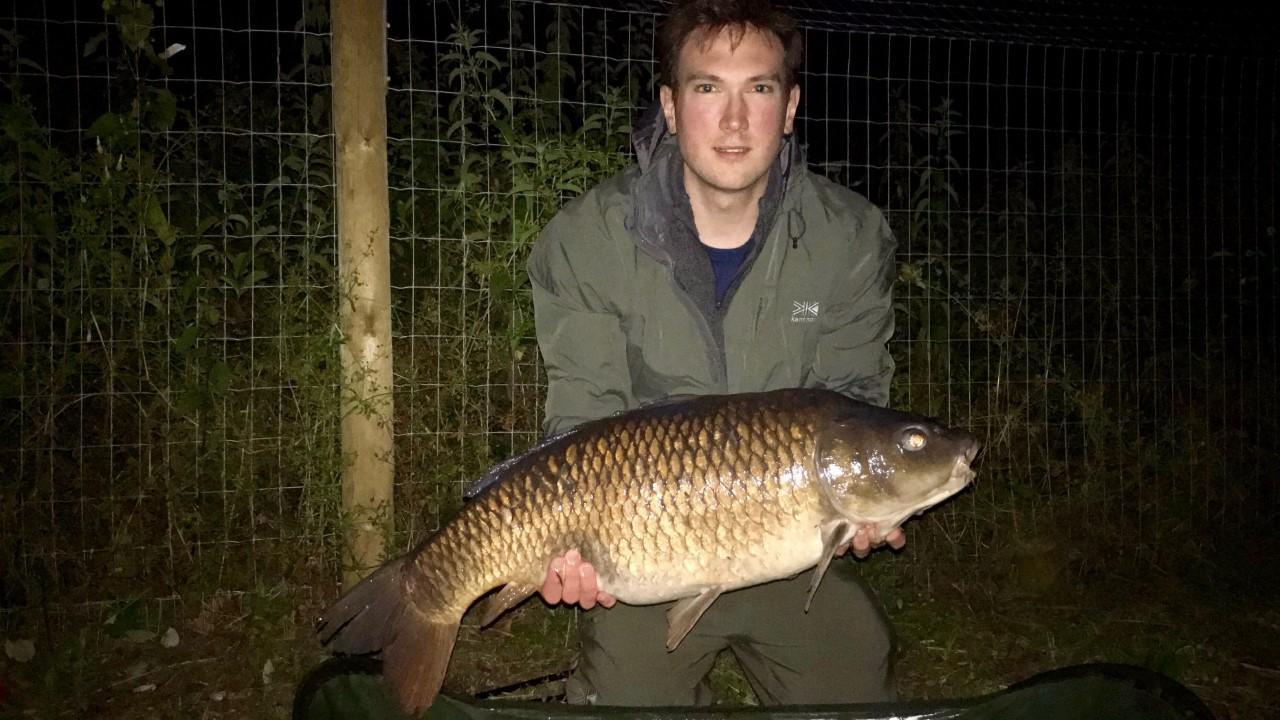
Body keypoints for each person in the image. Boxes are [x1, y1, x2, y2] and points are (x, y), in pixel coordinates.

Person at [526, 0, 903, 706]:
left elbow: (855, 400)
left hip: (785, 552)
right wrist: (567, 547)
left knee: (855, 682)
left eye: (758, 89)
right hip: (646, 548)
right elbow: (580, 426)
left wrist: (869, 505)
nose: (734, 121)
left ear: (789, 106)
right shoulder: (587, 241)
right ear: (670, 105)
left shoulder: (849, 238)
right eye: (707, 89)